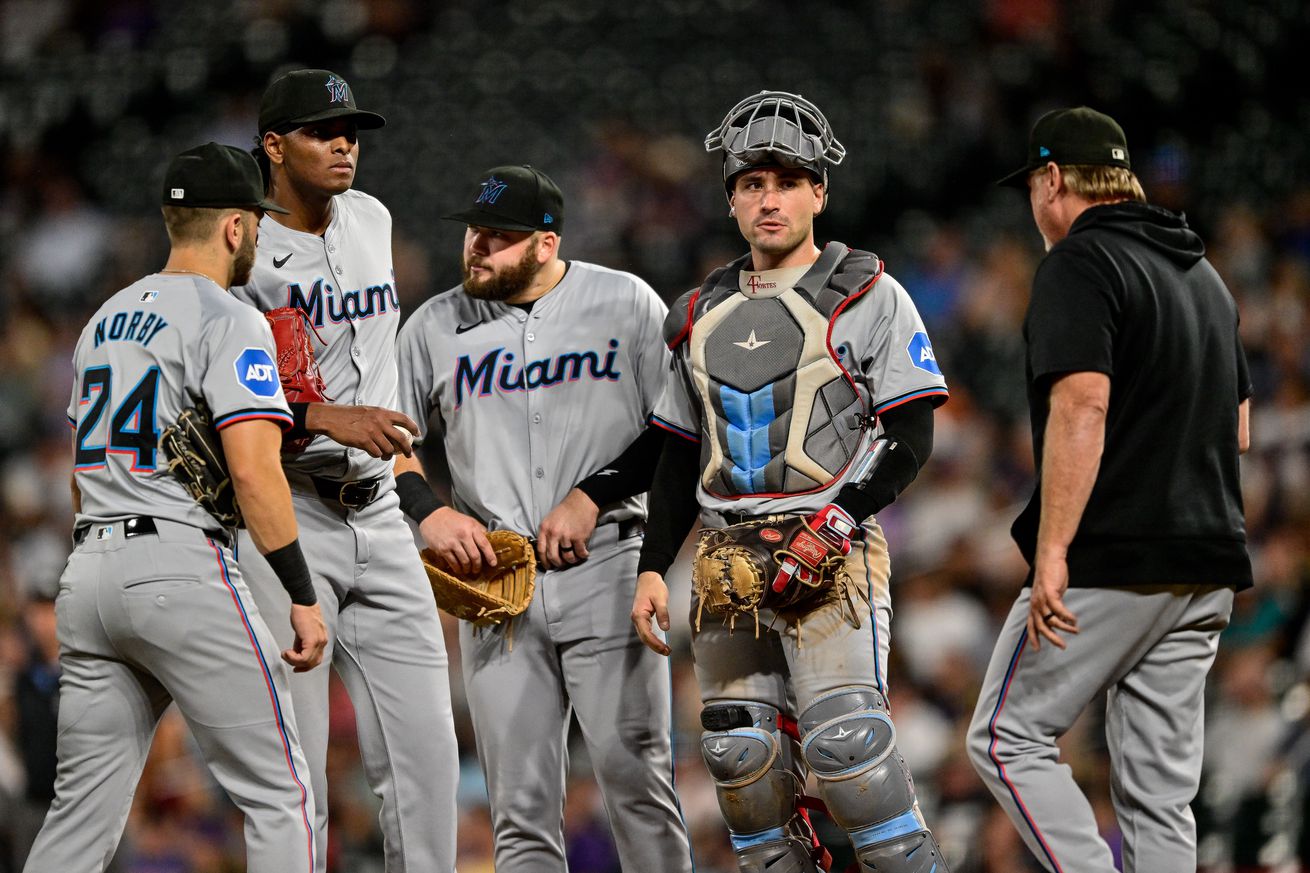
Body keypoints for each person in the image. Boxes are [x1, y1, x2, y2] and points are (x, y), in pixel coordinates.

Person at [631, 90, 952, 873]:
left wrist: (839, 521)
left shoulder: (870, 293)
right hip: (725, 559)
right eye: (751, 183)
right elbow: (676, 456)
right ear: (732, 199)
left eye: (786, 180)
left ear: (819, 191)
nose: (768, 197)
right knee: (743, 767)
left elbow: (911, 433)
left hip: (831, 545)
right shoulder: (694, 313)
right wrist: (649, 564)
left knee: (850, 751)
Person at [965, 106, 1253, 873]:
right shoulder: (1206, 274)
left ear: (1054, 177)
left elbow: (1083, 401)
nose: (1032, 203)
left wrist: (1054, 547)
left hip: (1115, 557)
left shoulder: (1080, 262)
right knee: (1159, 793)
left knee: (1005, 735)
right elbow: (1241, 427)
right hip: (1208, 559)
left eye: (1032, 184)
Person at [27, 142, 327, 873]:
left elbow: (76, 478)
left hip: (89, 570)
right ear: (233, 228)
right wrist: (302, 593)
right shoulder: (229, 317)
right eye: (256, 219)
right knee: (279, 794)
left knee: (78, 818)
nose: (258, 232)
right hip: (179, 566)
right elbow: (255, 475)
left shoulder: (102, 319)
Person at [392, 164, 694, 872]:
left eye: (500, 236)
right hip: (496, 581)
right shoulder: (433, 325)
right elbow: (390, 447)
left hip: (608, 562)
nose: (478, 247)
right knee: (519, 810)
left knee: (637, 783)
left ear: (546, 243)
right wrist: (429, 512)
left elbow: (677, 429)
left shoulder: (624, 302)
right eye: (475, 232)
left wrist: (593, 492)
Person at [233, 69, 459, 872]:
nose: (344, 145)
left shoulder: (372, 218)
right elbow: (208, 401)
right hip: (289, 517)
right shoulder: (241, 247)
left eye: (351, 132)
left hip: (380, 515)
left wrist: (423, 501)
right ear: (272, 145)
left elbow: (382, 388)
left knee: (429, 759)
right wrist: (322, 416)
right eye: (322, 133)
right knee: (296, 772)